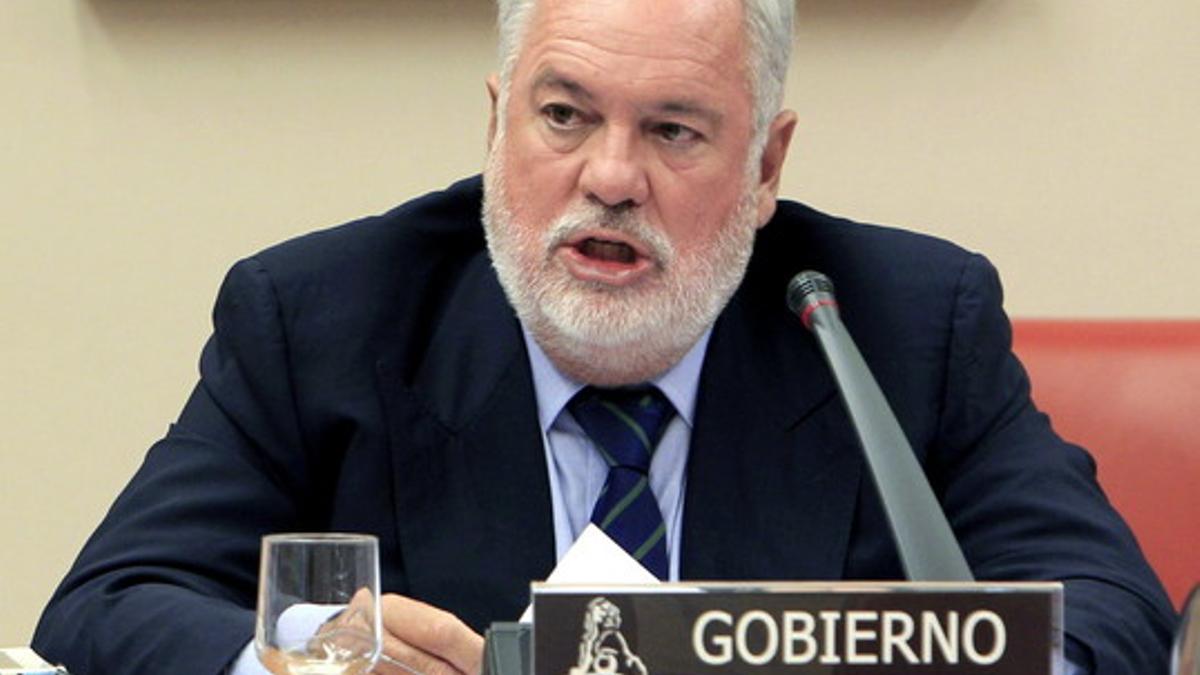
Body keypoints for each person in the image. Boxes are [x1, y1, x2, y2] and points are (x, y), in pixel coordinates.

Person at [33, 0, 1176, 673]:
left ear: (766, 166)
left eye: (675, 131)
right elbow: (111, 600)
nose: (612, 178)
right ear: (497, 122)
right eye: (565, 115)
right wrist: (307, 658)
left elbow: (1114, 613)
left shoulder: (900, 321)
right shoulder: (326, 314)